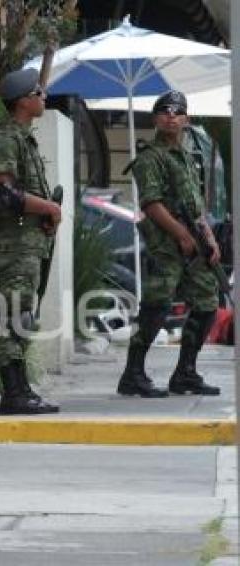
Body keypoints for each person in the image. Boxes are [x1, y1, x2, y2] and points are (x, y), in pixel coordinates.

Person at [116, 90, 221, 398]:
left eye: (177, 112)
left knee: (207, 303)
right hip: (166, 244)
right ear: (156, 119)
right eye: (165, 112)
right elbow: (151, 203)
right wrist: (181, 234)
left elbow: (195, 204)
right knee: (156, 307)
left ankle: (185, 372)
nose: (171, 116)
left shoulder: (188, 157)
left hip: (193, 243)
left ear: (186, 119)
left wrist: (209, 238)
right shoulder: (150, 157)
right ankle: (133, 374)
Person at [0, 68, 61, 415]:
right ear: (24, 101)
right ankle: (13, 393)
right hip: (14, 245)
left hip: (29, 242)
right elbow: (5, 192)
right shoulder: (6, 137)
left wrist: (44, 214)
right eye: (39, 92)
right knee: (16, 315)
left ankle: (21, 388)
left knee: (23, 316)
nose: (43, 98)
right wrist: (49, 207)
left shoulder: (23, 137)